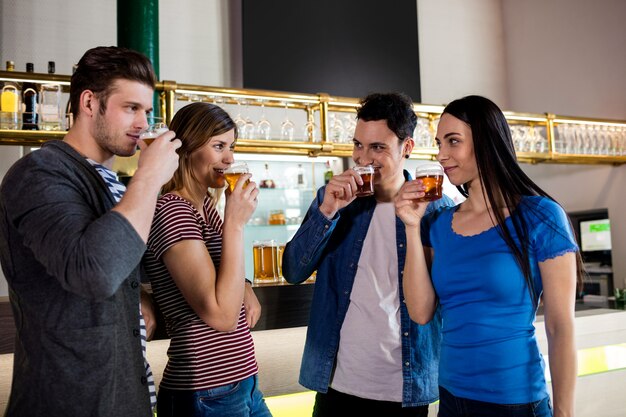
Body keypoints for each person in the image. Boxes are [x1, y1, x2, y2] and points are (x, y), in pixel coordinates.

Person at [0, 46, 181, 417]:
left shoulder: (113, 182)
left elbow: (126, 264)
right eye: (131, 108)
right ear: (88, 103)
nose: (143, 124)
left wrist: (138, 297)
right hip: (67, 400)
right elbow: (95, 272)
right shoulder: (39, 173)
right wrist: (149, 175)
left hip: (125, 395)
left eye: (146, 111)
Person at [396, 95, 582, 417]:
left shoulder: (542, 216)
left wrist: (564, 413)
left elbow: (560, 327)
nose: (441, 155)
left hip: (517, 401)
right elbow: (421, 312)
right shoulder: (436, 224)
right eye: (439, 143)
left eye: (453, 141)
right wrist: (411, 227)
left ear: (486, 140)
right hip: (451, 400)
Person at [282, 92, 455, 416]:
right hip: (337, 385)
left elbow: (440, 304)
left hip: (404, 387)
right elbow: (293, 271)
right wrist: (328, 209)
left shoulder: (436, 210)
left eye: (378, 147)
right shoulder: (333, 199)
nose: (363, 158)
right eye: (358, 145)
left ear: (407, 148)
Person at [142, 102, 272, 417]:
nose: (229, 158)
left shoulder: (206, 207)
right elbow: (221, 316)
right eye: (218, 146)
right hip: (205, 392)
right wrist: (236, 224)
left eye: (231, 146)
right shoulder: (172, 209)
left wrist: (244, 284)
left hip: (242, 382)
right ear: (186, 149)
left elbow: (219, 269)